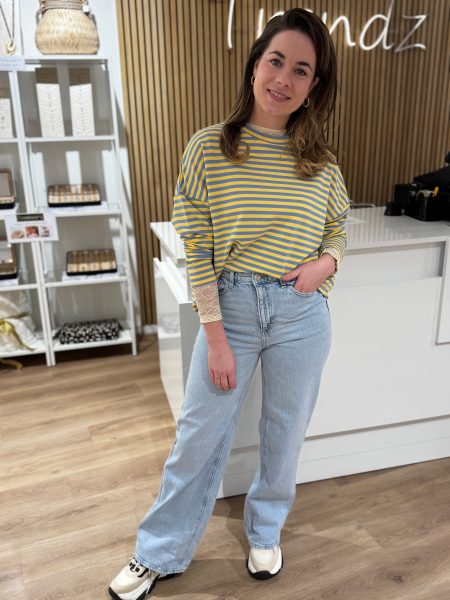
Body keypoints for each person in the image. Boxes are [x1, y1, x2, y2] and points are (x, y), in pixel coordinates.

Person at [109, 8, 349, 600]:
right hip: (232, 311)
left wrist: (326, 266)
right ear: (255, 65)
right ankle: (158, 551)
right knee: (197, 435)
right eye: (276, 61)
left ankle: (266, 531)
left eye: (301, 70)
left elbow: (338, 228)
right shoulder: (210, 147)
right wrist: (214, 336)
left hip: (301, 315)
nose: (284, 79)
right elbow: (197, 248)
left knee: (284, 434)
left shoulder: (320, 161)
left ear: (313, 84)